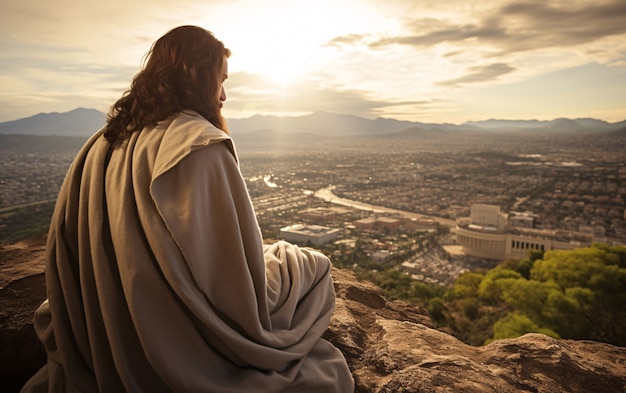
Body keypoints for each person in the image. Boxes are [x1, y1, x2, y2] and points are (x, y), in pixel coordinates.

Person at [21, 25, 354, 393]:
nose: (224, 95)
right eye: (220, 80)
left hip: (104, 322)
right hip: (169, 332)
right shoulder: (199, 145)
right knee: (311, 265)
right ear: (198, 76)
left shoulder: (101, 142)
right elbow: (233, 288)